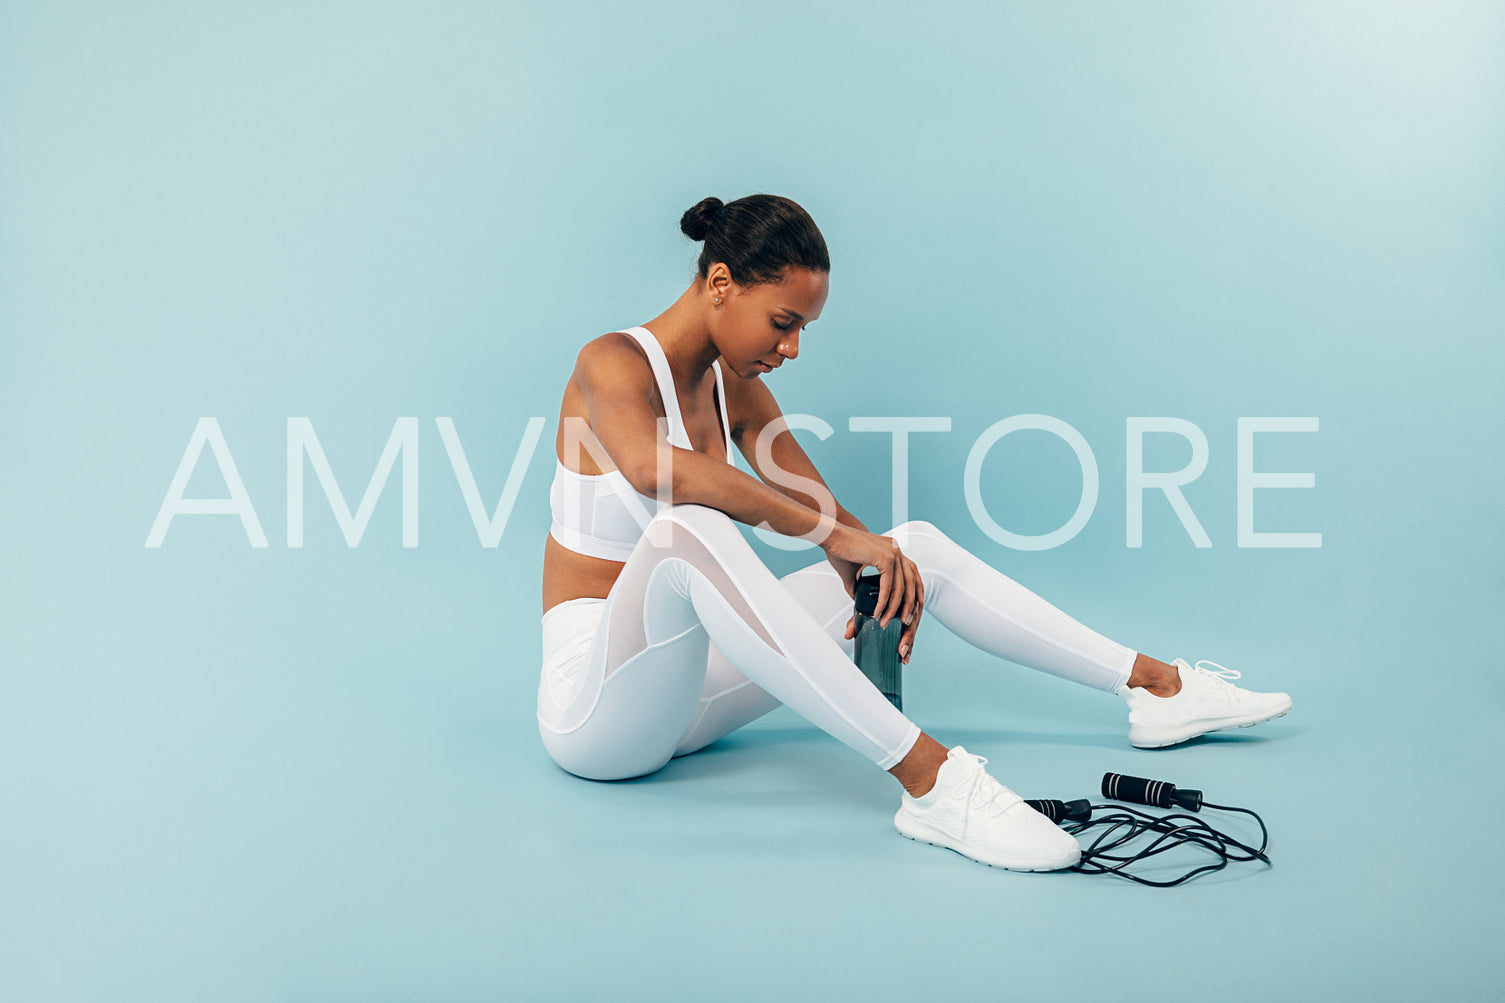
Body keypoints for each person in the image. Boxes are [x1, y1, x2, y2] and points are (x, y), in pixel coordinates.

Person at [538, 193, 1291, 872]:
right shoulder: (610, 364)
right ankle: (934, 784)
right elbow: (650, 469)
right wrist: (833, 540)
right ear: (721, 283)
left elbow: (818, 508)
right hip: (597, 714)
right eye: (783, 321)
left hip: (690, 698)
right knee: (687, 529)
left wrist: (871, 565)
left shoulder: (733, 384)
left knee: (911, 545)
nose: (792, 346)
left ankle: (1156, 687)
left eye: (802, 328)